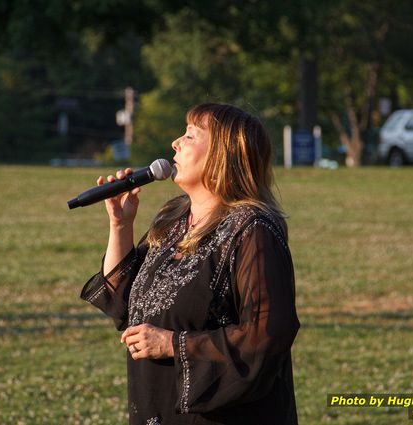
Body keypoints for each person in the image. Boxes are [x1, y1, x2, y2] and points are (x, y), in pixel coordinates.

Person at [80, 103, 300, 424]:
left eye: (190, 135)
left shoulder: (252, 230)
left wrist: (172, 343)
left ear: (223, 155)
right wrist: (120, 225)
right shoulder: (174, 218)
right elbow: (124, 304)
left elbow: (267, 333)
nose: (175, 143)